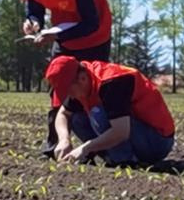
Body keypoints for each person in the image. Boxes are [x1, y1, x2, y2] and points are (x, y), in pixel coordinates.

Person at [12, 0, 113, 155]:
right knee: (57, 87)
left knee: (91, 92)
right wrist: (33, 21)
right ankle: (55, 145)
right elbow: (35, 7)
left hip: (94, 37)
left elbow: (90, 23)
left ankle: (97, 147)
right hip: (61, 35)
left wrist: (57, 36)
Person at [45, 55, 175, 165]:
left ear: (82, 79)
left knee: (99, 114)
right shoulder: (80, 80)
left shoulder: (112, 82)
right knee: (77, 118)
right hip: (134, 133)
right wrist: (64, 140)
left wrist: (85, 148)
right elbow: (63, 113)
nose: (70, 96)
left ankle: (126, 161)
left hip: (157, 140)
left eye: (69, 91)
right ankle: (113, 158)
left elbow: (121, 132)